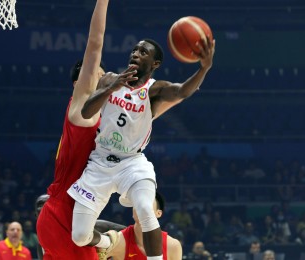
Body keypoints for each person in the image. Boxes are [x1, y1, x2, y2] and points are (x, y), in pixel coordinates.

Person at [68, 33, 215, 260]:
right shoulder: (108, 79)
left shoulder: (155, 90)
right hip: (100, 161)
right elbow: (86, 112)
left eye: (143, 52)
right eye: (135, 49)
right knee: (79, 236)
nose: (136, 53)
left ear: (154, 64)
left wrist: (203, 69)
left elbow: (182, 91)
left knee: (146, 209)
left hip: (132, 163)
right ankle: (108, 240)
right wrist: (110, 88)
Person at [35, 0, 126, 258]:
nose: (105, 74)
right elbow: (95, 43)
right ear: (81, 82)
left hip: (70, 216)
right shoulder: (80, 107)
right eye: (99, 71)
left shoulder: (98, 118)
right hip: (63, 216)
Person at [105, 192, 182, 259]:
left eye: (147, 205)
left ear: (158, 213)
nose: (141, 208)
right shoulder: (116, 242)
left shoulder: (172, 246)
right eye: (138, 204)